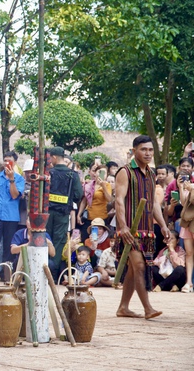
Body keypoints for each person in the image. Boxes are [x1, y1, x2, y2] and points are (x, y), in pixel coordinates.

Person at [114, 135, 170, 319]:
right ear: (134, 151)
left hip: (147, 230)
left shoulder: (152, 174)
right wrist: (122, 227)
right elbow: (119, 201)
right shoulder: (125, 171)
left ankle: (123, 307)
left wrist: (162, 225)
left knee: (133, 268)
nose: (147, 153)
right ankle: (148, 308)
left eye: (150, 150)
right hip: (129, 229)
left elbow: (154, 203)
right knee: (139, 266)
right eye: (143, 149)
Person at [0, 153, 25, 281]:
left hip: (11, 217)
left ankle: (6, 274)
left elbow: (14, 195)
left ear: (15, 163)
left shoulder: (19, 179)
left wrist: (11, 179)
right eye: (5, 160)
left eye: (10, 161)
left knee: (9, 246)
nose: (7, 163)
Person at [46, 147, 83, 280]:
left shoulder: (49, 173)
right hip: (63, 214)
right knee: (58, 243)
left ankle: (42, 273)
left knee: (45, 240)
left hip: (47, 213)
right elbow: (79, 195)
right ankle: (53, 277)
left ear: (54, 157)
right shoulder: (73, 175)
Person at [77, 161, 113, 240]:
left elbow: (109, 199)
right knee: (86, 239)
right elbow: (84, 201)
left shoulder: (107, 185)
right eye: (99, 171)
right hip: (89, 218)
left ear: (107, 175)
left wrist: (103, 186)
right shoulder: (89, 185)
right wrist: (79, 214)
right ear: (95, 173)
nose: (101, 174)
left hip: (101, 219)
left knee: (98, 240)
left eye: (104, 173)